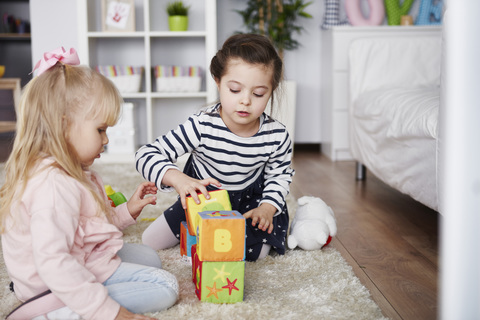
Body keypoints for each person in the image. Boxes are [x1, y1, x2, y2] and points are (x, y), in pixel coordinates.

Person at [0, 48, 178, 320]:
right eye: (100, 130)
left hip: (77, 261)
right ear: (63, 127)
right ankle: (61, 312)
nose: (106, 140)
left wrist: (127, 211)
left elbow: (86, 230)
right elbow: (54, 262)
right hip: (53, 287)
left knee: (149, 258)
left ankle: (73, 299)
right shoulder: (53, 185)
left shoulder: (70, 171)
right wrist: (114, 313)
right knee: (165, 285)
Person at [136, 34, 295, 262]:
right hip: (202, 199)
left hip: (250, 205)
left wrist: (268, 208)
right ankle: (202, 236)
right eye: (235, 90)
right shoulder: (201, 125)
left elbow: (279, 176)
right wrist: (178, 179)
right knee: (150, 241)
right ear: (218, 81)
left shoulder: (276, 135)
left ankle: (215, 239)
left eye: (258, 93)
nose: (246, 101)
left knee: (256, 256)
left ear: (271, 90)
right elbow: (145, 154)